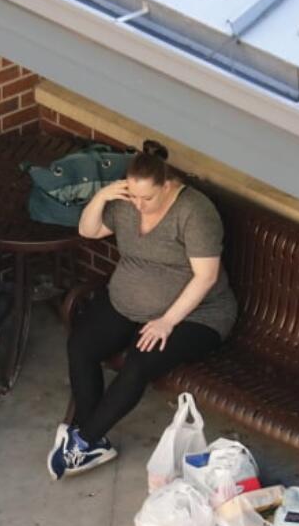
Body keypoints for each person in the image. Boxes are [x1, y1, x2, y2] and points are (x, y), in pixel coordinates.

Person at [49, 140, 236, 480]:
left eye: (146, 198)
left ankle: (83, 441)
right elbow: (88, 230)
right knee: (81, 345)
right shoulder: (125, 204)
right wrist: (102, 197)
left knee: (138, 362)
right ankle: (91, 439)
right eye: (132, 196)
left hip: (195, 314)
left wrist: (166, 321)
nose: (139, 204)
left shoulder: (195, 212)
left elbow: (206, 277)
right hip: (127, 301)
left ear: (167, 185)